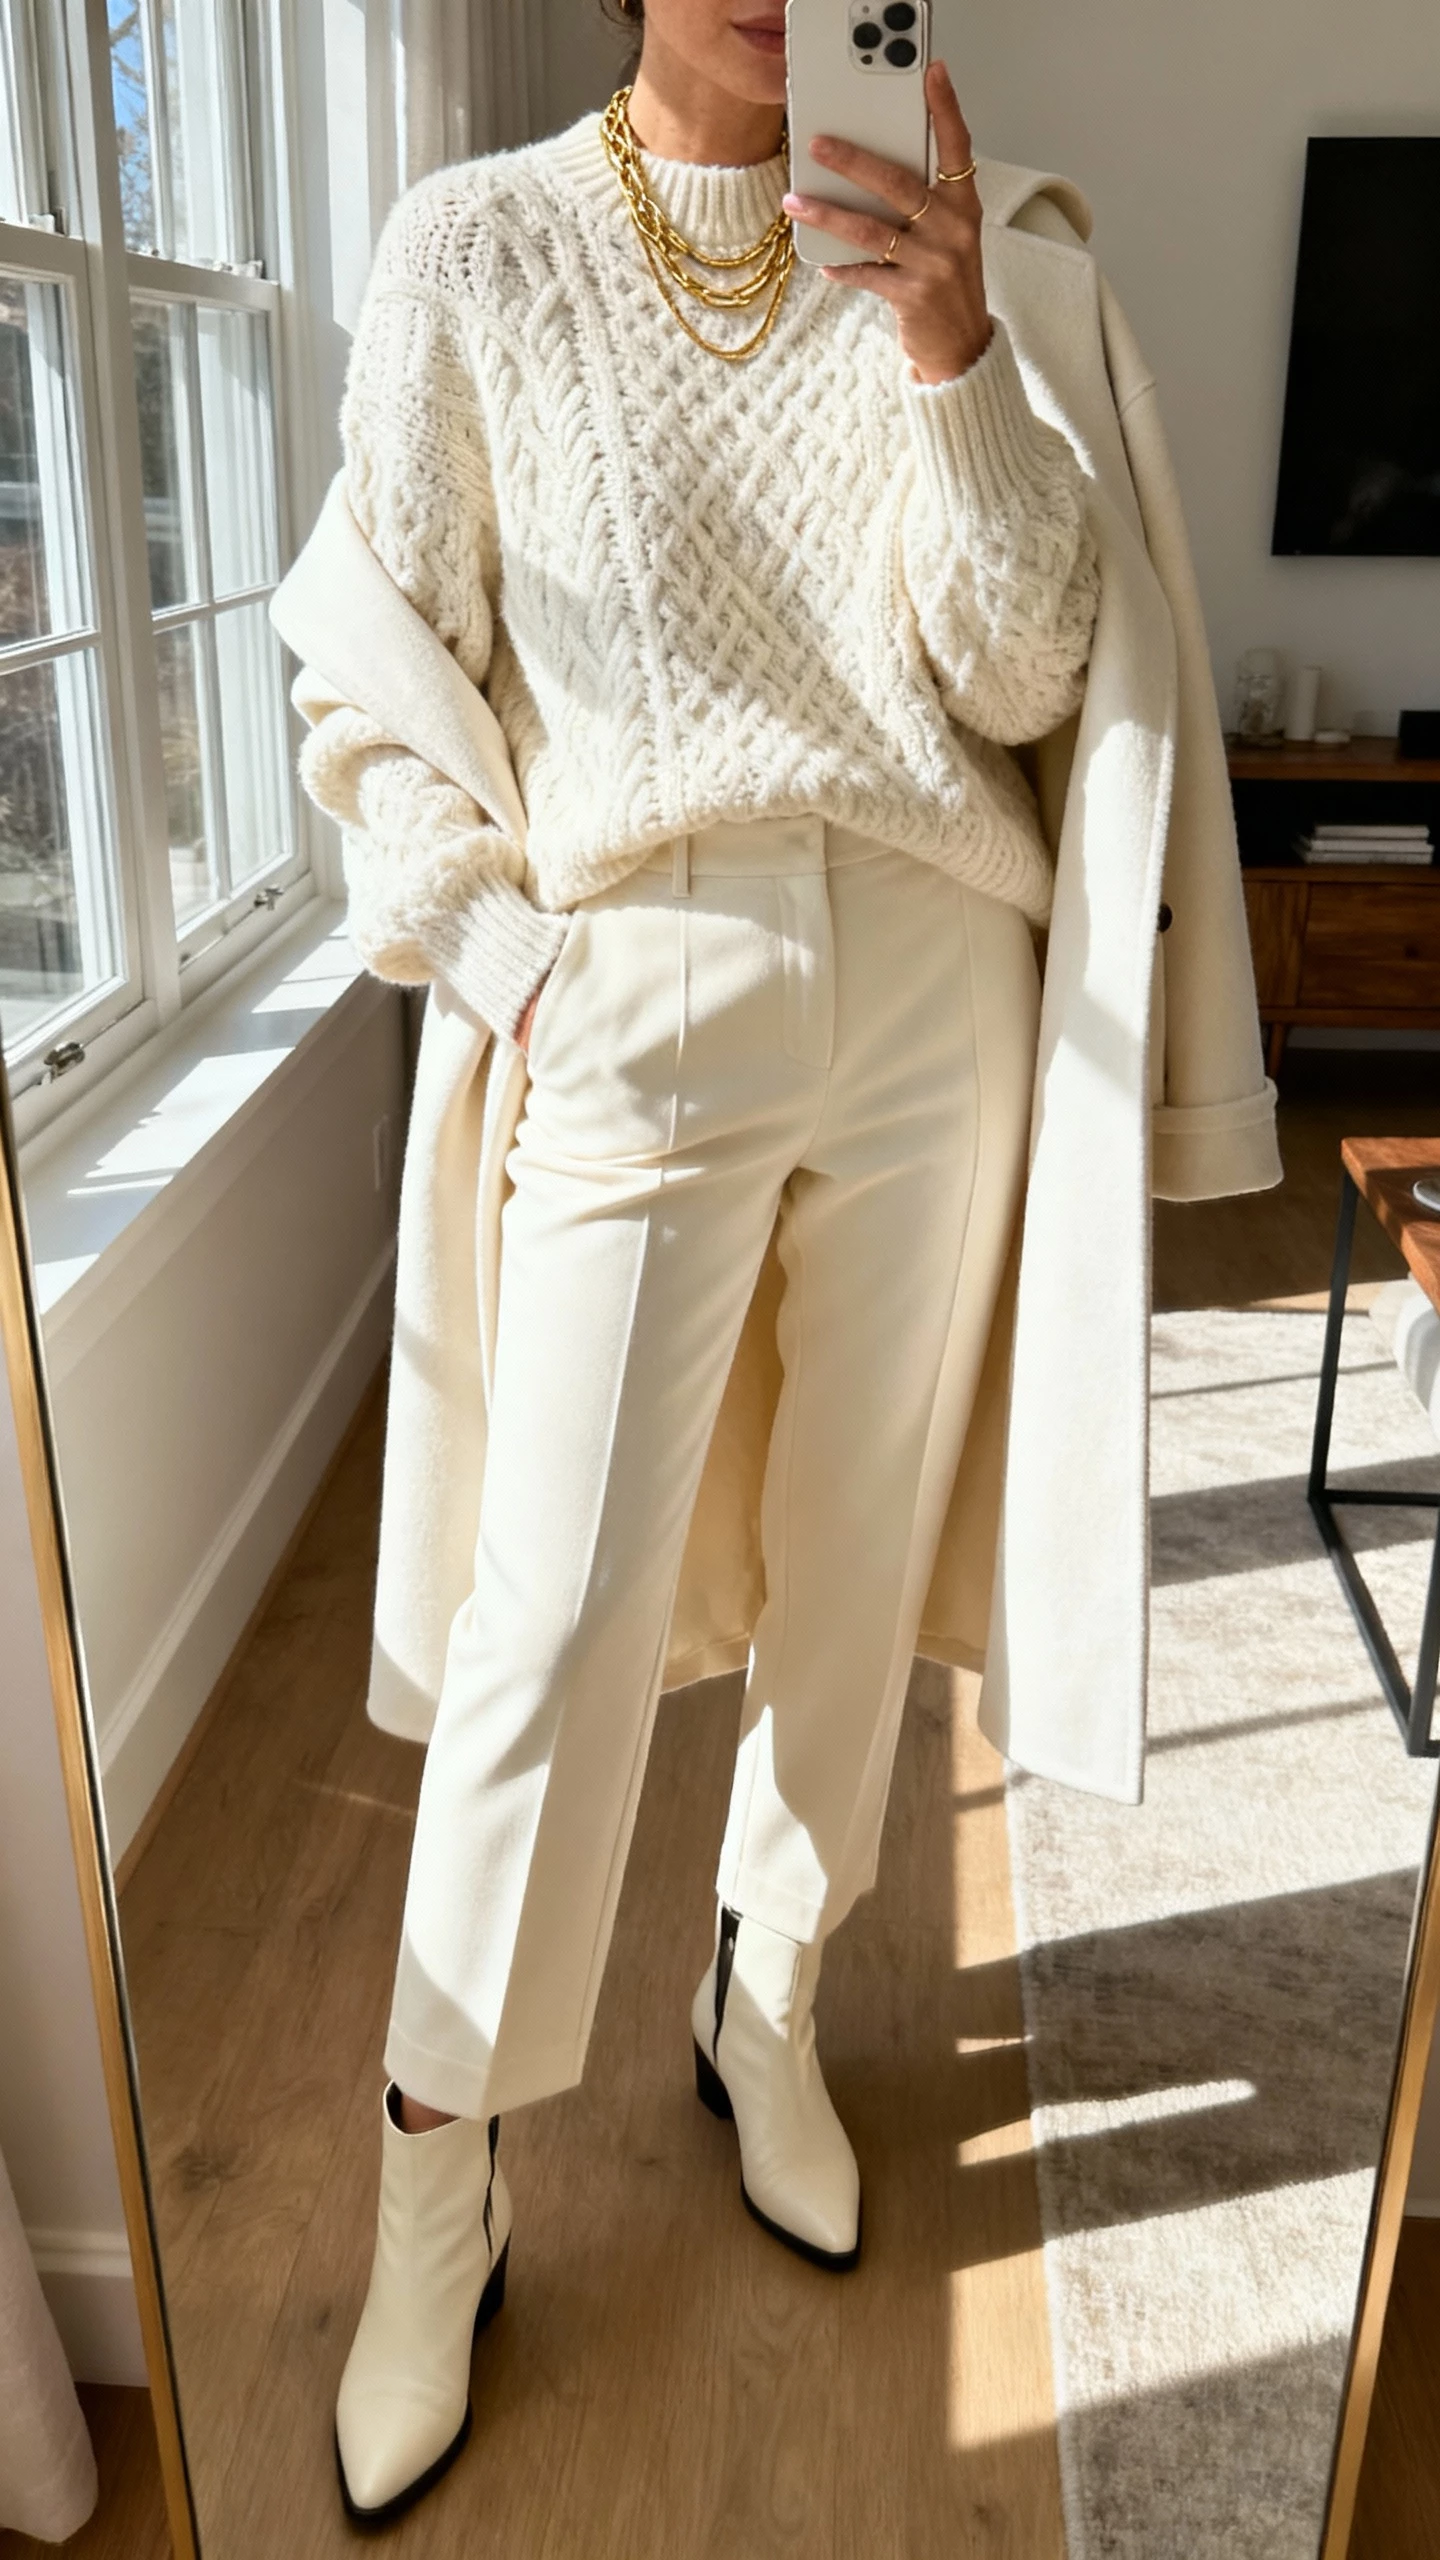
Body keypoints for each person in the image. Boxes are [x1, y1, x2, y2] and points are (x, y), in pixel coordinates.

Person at [277, 0, 1276, 2524]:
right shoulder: (474, 249)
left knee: (853, 1581)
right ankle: (433, 2173)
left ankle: (772, 1987)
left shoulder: (969, 260)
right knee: (554, 1613)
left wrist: (948, 355)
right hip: (636, 977)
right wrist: (507, 964)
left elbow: (1029, 665)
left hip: (940, 981)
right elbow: (371, 677)